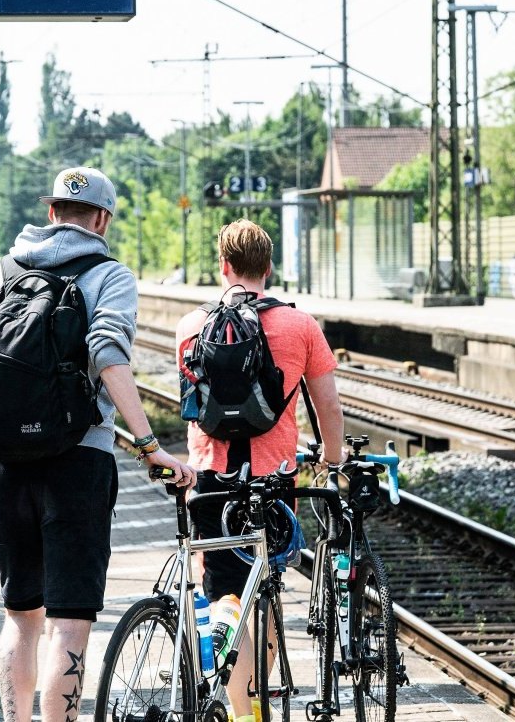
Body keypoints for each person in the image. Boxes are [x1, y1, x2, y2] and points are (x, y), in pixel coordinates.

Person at [0, 166, 195, 722]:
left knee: (19, 616)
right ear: (102, 219)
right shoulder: (110, 275)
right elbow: (109, 354)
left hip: (1, 465)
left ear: (52, 210)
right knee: (69, 620)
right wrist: (151, 445)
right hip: (78, 461)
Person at [174, 219, 345, 722]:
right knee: (265, 593)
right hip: (273, 482)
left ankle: (235, 703)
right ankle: (250, 705)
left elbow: (191, 403)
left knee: (224, 590)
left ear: (223, 266)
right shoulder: (301, 326)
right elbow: (329, 408)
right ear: (268, 269)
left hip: (210, 480)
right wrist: (331, 463)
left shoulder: (191, 327)